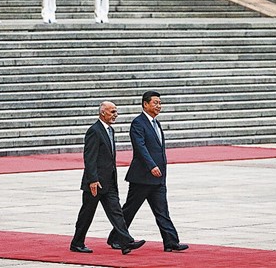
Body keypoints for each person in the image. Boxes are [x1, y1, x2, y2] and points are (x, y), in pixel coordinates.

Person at [107, 91, 189, 253]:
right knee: (130, 209)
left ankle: (171, 242)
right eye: (155, 103)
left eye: (160, 103)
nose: (159, 106)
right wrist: (152, 166)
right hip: (142, 177)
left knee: (162, 211)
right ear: (145, 104)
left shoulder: (156, 123)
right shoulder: (138, 123)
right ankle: (116, 237)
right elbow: (140, 147)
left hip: (158, 178)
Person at [70, 101, 146, 255]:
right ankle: (77, 243)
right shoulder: (94, 131)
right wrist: (92, 179)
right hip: (95, 182)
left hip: (109, 181)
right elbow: (89, 157)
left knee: (116, 212)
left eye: (116, 112)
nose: (115, 115)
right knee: (87, 213)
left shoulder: (110, 130)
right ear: (102, 113)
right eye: (112, 112)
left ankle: (126, 242)